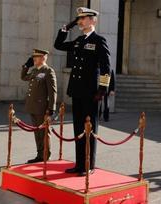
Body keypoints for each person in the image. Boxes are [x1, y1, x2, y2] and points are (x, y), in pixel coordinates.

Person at [54, 7, 111, 176]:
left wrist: (102, 90)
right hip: (77, 91)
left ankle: (89, 165)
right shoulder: (79, 40)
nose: (80, 21)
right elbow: (58, 45)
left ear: (93, 20)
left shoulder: (99, 40)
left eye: (83, 18)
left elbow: (106, 67)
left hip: (91, 93)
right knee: (78, 129)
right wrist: (67, 27)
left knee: (89, 129)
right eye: (78, 19)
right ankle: (79, 164)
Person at [21, 48, 57, 163]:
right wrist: (26, 66)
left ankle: (46, 155)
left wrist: (51, 109)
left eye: (35, 57)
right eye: (33, 58)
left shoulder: (48, 71)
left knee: (44, 133)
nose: (34, 60)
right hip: (33, 106)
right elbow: (23, 77)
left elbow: (52, 92)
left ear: (42, 58)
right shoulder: (35, 71)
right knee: (37, 132)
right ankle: (39, 155)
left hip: (42, 108)